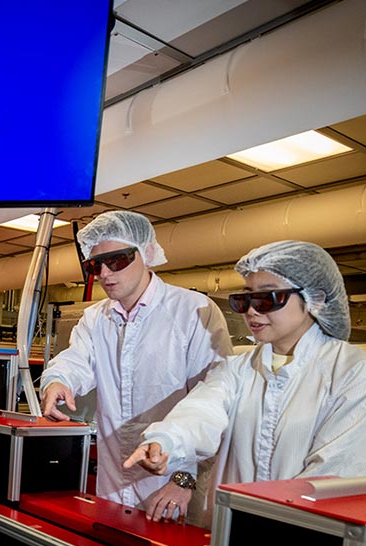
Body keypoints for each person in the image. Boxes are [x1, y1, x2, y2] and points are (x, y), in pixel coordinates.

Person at [124, 240, 366, 525]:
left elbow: (337, 478)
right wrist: (166, 440)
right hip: (230, 536)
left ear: (314, 299)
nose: (252, 312)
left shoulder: (359, 374)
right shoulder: (237, 369)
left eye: (268, 299)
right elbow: (201, 412)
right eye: (245, 300)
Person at [40, 210, 233, 519]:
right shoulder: (96, 318)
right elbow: (77, 360)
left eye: (117, 260)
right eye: (94, 265)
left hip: (172, 488)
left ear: (147, 254)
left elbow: (216, 402)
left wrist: (184, 481)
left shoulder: (193, 311)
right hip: (114, 484)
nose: (104, 273)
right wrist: (58, 380)